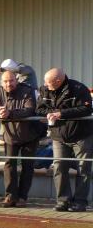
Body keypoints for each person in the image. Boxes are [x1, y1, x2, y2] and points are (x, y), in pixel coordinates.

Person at [36, 68, 93, 212]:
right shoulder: (44, 90)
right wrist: (51, 114)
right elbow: (39, 109)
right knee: (59, 167)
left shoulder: (79, 88)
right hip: (58, 135)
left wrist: (61, 114)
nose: (45, 84)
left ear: (58, 81)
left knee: (83, 168)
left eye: (48, 82)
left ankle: (80, 202)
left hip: (81, 135)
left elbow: (86, 109)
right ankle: (63, 201)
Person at [0, 71, 43, 207]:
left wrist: (9, 113)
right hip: (10, 135)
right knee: (9, 166)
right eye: (5, 81)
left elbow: (30, 109)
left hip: (30, 134)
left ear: (16, 80)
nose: (9, 84)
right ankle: (10, 196)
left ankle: (22, 197)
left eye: (11, 81)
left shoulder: (27, 90)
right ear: (1, 82)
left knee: (27, 166)